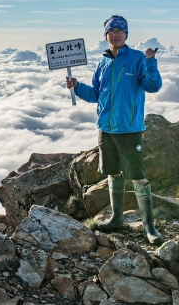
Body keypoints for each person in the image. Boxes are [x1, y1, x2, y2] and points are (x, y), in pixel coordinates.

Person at [65, 15, 164, 245]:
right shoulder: (103, 63)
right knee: (112, 172)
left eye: (120, 30)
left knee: (138, 177)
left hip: (129, 129)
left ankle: (149, 227)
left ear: (126, 35)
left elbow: (153, 86)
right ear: (106, 36)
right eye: (112, 31)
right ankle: (116, 218)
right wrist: (77, 87)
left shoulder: (138, 58)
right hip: (106, 129)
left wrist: (151, 61)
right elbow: (96, 95)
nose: (116, 34)